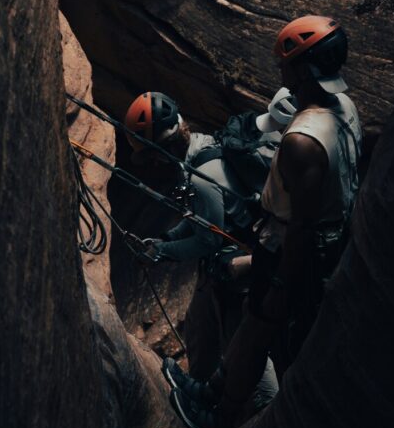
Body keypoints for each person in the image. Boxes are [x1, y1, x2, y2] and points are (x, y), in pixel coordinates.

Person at [167, 14, 362, 428]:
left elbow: (304, 223)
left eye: (286, 65)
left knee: (262, 328)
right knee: (254, 324)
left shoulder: (304, 141)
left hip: (295, 245)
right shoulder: (344, 109)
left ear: (302, 70)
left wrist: (277, 279)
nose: (281, 72)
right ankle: (214, 390)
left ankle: (219, 420)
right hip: (309, 236)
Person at [124, 89, 295, 392]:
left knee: (242, 349)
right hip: (217, 269)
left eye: (149, 155)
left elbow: (208, 240)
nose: (150, 164)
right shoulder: (197, 149)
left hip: (239, 270)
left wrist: (162, 251)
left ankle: (259, 414)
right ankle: (198, 389)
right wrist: (165, 238)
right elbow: (197, 218)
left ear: (161, 148)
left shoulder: (203, 176)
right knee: (200, 327)